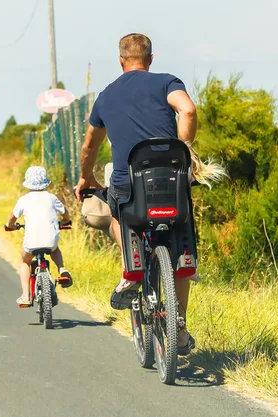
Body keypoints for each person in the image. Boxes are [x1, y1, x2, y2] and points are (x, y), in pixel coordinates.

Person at [75, 33, 199, 355]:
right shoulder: (166, 82)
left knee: (116, 214)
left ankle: (133, 265)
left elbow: (90, 145)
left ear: (120, 61)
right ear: (151, 59)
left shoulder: (106, 96)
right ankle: (180, 330)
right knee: (180, 239)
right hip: (171, 180)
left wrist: (85, 178)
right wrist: (186, 155)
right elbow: (187, 111)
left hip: (128, 184)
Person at [6, 166, 73, 308]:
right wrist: (66, 220)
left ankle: (25, 296)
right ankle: (62, 269)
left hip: (31, 242)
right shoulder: (51, 198)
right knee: (55, 249)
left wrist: (10, 225)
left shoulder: (24, 199)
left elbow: (12, 217)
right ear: (45, 182)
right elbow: (65, 212)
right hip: (50, 241)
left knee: (24, 261)